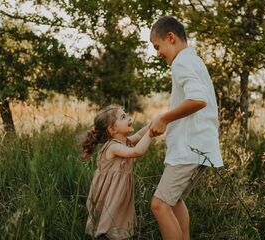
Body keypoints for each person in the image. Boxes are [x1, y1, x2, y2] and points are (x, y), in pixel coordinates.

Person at [149, 16, 224, 240]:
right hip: (200, 145)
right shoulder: (194, 60)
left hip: (189, 147)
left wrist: (165, 118)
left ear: (170, 38)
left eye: (157, 46)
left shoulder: (182, 61)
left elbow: (199, 99)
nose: (157, 53)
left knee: (160, 205)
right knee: (174, 200)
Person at [82, 104, 152, 240]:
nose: (129, 118)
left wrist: (152, 125)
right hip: (109, 192)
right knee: (108, 222)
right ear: (112, 129)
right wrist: (151, 133)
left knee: (118, 220)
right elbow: (137, 152)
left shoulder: (124, 142)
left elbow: (138, 135)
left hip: (119, 191)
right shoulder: (113, 147)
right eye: (123, 117)